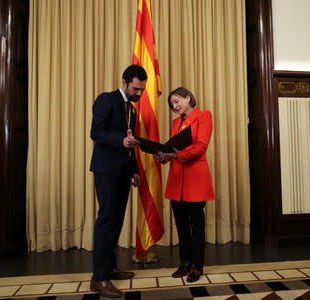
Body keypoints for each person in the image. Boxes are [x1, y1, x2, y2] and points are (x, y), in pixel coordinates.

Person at [89, 64, 146, 298]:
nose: (139, 94)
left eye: (142, 90)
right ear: (124, 82)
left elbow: (129, 141)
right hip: (106, 171)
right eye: (136, 89)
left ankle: (110, 268)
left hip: (123, 172)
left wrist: (134, 169)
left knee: (116, 221)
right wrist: (121, 140)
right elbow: (96, 132)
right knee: (106, 221)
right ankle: (99, 278)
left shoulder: (131, 110)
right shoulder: (106, 99)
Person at [155, 87, 215, 282]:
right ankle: (185, 264)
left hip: (195, 179)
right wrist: (164, 156)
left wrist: (178, 154)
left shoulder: (204, 116)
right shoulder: (174, 123)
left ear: (188, 98)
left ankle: (197, 266)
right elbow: (173, 148)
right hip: (176, 181)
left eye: (177, 101)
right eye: (172, 104)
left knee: (196, 227)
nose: (175, 106)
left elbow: (201, 146)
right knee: (181, 226)